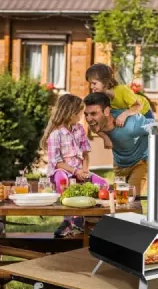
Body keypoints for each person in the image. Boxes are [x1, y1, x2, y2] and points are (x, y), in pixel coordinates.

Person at [40, 94, 108, 237]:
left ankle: (94, 220)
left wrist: (84, 171)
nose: (82, 116)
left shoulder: (79, 129)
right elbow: (56, 162)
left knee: (103, 184)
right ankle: (70, 221)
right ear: (70, 113)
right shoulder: (55, 134)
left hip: (78, 170)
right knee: (63, 180)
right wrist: (75, 171)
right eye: (79, 112)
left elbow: (85, 153)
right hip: (62, 171)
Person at [83, 92, 158, 198]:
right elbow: (95, 128)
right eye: (86, 114)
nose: (88, 119)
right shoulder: (96, 124)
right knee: (119, 200)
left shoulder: (131, 124)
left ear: (106, 111)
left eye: (93, 114)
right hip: (120, 165)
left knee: (131, 199)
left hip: (140, 162)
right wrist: (106, 138)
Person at [85, 63, 155, 149]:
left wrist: (124, 115)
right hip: (121, 113)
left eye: (94, 83)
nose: (91, 87)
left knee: (151, 137)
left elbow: (138, 106)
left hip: (143, 111)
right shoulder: (100, 96)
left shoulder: (122, 90)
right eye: (90, 84)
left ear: (105, 81)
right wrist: (105, 137)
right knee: (92, 122)